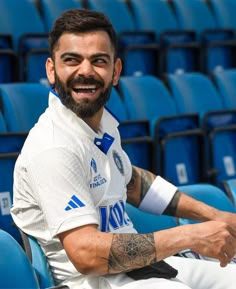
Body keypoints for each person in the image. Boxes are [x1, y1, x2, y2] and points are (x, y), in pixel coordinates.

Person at [11, 8, 236, 289]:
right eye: (72, 60)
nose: (86, 71)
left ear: (115, 71)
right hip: (90, 281)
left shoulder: (100, 124)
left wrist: (214, 214)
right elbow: (86, 255)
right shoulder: (53, 146)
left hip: (139, 269)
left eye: (98, 61)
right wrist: (190, 236)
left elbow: (133, 183)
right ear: (51, 70)